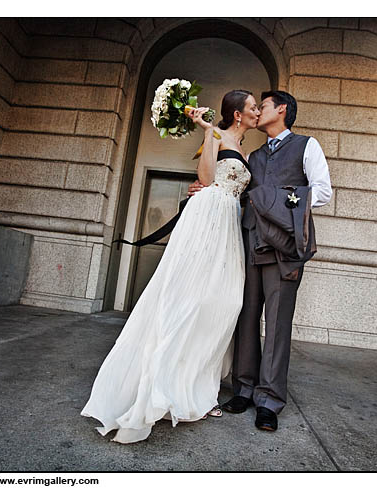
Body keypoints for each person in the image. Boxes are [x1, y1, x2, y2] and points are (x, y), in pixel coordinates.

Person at [80, 90, 260, 444]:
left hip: (230, 225)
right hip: (208, 215)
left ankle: (198, 387)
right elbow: (207, 179)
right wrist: (207, 131)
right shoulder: (219, 136)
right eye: (253, 108)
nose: (257, 112)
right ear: (237, 114)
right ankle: (166, 386)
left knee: (225, 305)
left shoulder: (247, 151)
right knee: (191, 301)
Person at [188, 90, 332, 432]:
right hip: (250, 244)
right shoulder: (251, 153)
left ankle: (269, 400)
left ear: (280, 110)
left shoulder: (307, 146)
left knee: (278, 325)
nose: (257, 111)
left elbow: (322, 192)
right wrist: (204, 191)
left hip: (284, 249)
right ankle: (244, 388)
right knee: (246, 318)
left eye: (262, 105)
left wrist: (275, 202)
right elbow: (237, 193)